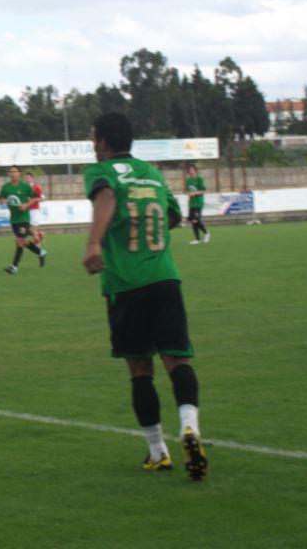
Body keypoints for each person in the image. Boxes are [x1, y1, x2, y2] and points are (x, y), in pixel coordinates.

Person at [82, 112, 207, 481]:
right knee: (177, 361)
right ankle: (190, 426)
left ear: (103, 141)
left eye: (93, 138)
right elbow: (173, 217)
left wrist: (94, 242)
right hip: (165, 278)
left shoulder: (100, 171)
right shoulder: (152, 173)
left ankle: (158, 452)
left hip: (126, 285)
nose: (93, 145)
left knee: (140, 371)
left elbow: (105, 195)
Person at [0, 165, 47, 274]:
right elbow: (1, 197)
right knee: (22, 242)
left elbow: (35, 198)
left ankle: (14, 267)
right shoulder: (6, 187)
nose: (13, 173)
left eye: (15, 171)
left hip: (24, 218)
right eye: (11, 172)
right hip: (14, 219)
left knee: (19, 241)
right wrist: (2, 201)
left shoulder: (24, 186)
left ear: (19, 174)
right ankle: (41, 252)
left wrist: (26, 205)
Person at [186, 164, 210, 245]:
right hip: (191, 203)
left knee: (196, 219)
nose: (190, 171)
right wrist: (188, 194)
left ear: (195, 170)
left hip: (198, 203)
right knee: (193, 221)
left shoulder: (199, 179)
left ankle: (206, 233)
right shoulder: (188, 180)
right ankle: (197, 239)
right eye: (189, 170)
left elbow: (204, 190)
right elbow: (187, 191)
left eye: (191, 169)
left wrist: (195, 193)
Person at [24, 171, 46, 247]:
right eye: (26, 178)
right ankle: (40, 234)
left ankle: (38, 246)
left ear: (32, 178)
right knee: (28, 229)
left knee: (33, 229)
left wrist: (34, 200)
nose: (27, 179)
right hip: (27, 211)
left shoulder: (36, 187)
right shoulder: (24, 188)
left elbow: (42, 198)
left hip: (35, 211)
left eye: (28, 177)